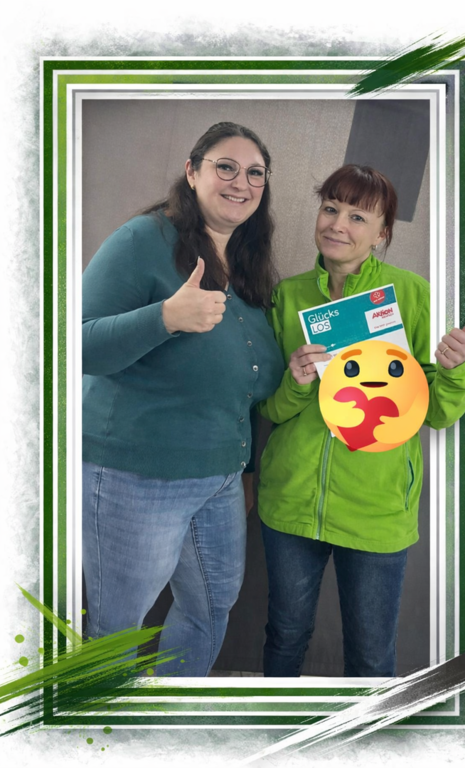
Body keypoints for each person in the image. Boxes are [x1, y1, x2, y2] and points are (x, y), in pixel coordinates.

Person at [82, 122, 284, 676]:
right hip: (136, 476)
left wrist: (245, 470)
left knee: (210, 607)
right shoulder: (143, 240)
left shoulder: (248, 265)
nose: (241, 182)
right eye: (226, 167)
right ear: (192, 172)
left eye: (255, 173)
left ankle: (170, 710)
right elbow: (71, 345)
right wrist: (165, 318)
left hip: (219, 479)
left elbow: (245, 385)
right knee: (116, 631)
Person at [257, 164, 465, 678]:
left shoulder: (410, 294)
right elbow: (269, 410)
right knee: (284, 636)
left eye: (358, 216)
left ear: (381, 234)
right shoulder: (288, 296)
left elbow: (438, 412)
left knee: (372, 656)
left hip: (376, 510)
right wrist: (296, 382)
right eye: (330, 208)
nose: (338, 224)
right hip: (291, 502)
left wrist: (454, 371)